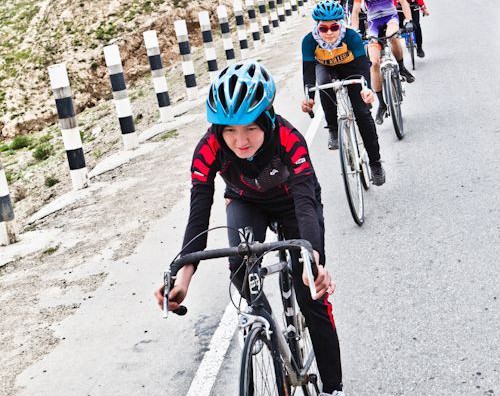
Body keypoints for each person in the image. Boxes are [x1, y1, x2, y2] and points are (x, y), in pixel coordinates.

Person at [155, 60, 345, 396]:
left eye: (250, 129)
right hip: (246, 203)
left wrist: (313, 259)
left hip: (292, 206)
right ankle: (267, 328)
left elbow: (305, 203)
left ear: (268, 119)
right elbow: (198, 215)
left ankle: (333, 389)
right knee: (241, 271)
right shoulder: (208, 148)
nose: (240, 141)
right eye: (229, 130)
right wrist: (182, 278)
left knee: (311, 295)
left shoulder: (289, 138)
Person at [301, 0, 386, 186]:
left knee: (363, 114)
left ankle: (376, 163)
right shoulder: (309, 41)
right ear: (317, 27)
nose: (329, 32)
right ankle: (333, 128)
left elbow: (364, 66)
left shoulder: (352, 37)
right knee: (323, 84)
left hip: (352, 68)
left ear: (341, 24)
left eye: (334, 27)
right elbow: (308, 71)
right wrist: (309, 97)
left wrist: (367, 89)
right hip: (326, 68)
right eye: (323, 29)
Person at [352, 0, 415, 125]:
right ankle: (382, 104)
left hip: (391, 18)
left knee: (391, 35)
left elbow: (403, 2)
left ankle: (401, 68)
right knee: (374, 63)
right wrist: (355, 30)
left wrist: (408, 20)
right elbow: (356, 9)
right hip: (373, 24)